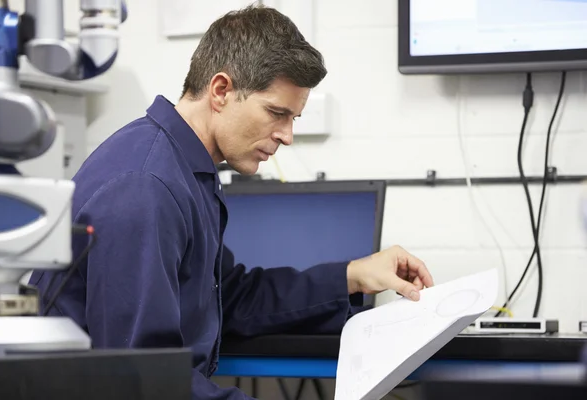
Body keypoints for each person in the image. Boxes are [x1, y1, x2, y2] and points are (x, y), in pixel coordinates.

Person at [29, 4, 434, 399]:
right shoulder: (145, 186)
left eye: (294, 118)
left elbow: (232, 297)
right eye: (277, 113)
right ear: (221, 90)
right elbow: (142, 379)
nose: (287, 136)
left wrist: (353, 276)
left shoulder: (184, 169)